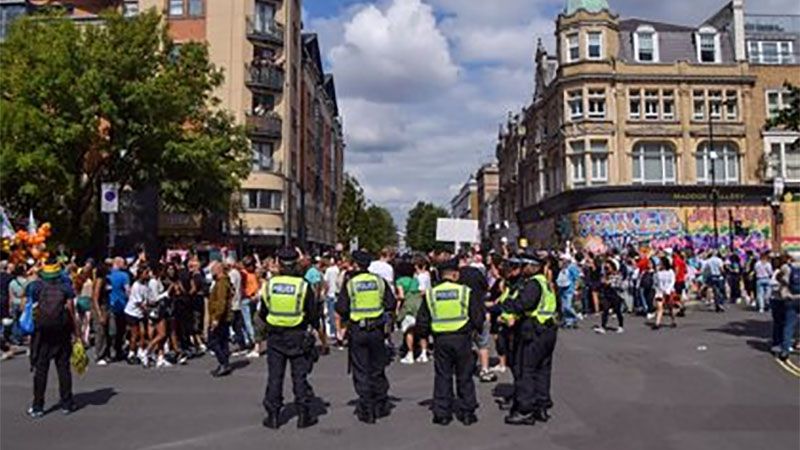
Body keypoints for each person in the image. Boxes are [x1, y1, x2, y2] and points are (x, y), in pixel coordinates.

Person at [416, 257, 484, 426]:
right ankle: (468, 412)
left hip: (441, 340)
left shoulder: (431, 293)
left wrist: (425, 336)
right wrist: (475, 330)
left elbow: (422, 320)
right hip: (462, 338)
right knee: (465, 376)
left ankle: (442, 413)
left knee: (443, 376)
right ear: (455, 274)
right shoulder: (465, 292)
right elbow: (478, 316)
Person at [260, 248, 319, 429]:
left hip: (275, 336)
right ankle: (303, 415)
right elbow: (312, 313)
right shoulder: (303, 285)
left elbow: (263, 312)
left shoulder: (270, 285)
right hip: (298, 335)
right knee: (299, 377)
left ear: (278, 262)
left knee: (275, 377)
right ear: (296, 263)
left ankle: (274, 416)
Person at [337, 250, 396, 424]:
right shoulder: (379, 281)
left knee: (361, 369)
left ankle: (367, 408)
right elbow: (391, 304)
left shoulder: (351, 284)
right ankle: (380, 403)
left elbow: (341, 308)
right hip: (376, 330)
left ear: (355, 265)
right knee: (377, 368)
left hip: (358, 331)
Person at [501, 253, 558, 426]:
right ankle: (541, 405)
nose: (521, 268)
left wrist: (504, 306)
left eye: (524, 265)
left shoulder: (533, 284)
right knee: (542, 370)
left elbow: (524, 303)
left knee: (527, 370)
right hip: (548, 330)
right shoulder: (545, 282)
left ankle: (525, 410)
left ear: (531, 266)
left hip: (535, 332)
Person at [27, 258, 79, 418]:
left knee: (41, 370)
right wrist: (76, 333)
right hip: (62, 331)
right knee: (63, 368)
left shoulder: (35, 287)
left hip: (42, 333)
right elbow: (71, 310)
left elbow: (29, 307)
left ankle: (38, 406)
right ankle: (67, 403)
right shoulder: (66, 287)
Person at [457, 253, 494, 383]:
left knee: (465, 343)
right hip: (479, 310)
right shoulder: (476, 273)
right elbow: (486, 288)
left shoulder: (456, 275)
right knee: (483, 344)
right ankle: (484, 369)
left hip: (462, 313)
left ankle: (464, 368)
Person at [396, 259, 427, 364]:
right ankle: (423, 353)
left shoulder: (400, 281)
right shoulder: (415, 280)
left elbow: (401, 296)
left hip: (408, 307)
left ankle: (410, 353)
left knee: (409, 331)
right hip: (418, 305)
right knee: (422, 331)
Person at [207, 262, 233, 377]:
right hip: (223, 316)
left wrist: (216, 318)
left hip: (220, 317)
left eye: (213, 269)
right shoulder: (221, 282)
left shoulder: (222, 283)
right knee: (223, 341)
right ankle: (224, 363)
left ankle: (223, 362)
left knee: (212, 341)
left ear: (219, 270)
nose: (211, 272)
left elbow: (221, 301)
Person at [773, 253, 800, 360]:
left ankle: (785, 350)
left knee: (789, 325)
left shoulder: (787, 268)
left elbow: (780, 280)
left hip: (791, 298)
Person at [126, 264, 153, 366]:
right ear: (140, 275)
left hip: (140, 314)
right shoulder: (136, 286)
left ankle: (140, 351)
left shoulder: (145, 285)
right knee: (135, 334)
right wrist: (148, 311)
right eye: (146, 273)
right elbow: (139, 303)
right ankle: (131, 354)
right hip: (132, 312)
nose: (148, 275)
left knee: (142, 333)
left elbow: (148, 299)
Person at [107, 257, 131, 361]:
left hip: (110, 304)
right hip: (122, 305)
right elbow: (127, 291)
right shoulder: (124, 276)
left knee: (111, 330)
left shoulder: (107, 275)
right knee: (120, 330)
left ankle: (110, 350)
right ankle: (118, 350)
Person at [594, 259, 625, 334]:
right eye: (606, 268)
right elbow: (601, 283)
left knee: (617, 311)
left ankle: (620, 326)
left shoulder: (618, 275)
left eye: (608, 268)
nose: (607, 269)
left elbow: (619, 285)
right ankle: (603, 326)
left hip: (616, 295)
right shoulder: (605, 275)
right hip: (607, 294)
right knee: (605, 309)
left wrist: (610, 283)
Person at [652, 257, 677, 330]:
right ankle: (657, 323)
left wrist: (668, 290)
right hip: (660, 291)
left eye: (661, 263)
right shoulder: (657, 272)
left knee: (670, 307)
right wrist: (657, 291)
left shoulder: (670, 272)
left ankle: (673, 320)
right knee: (659, 307)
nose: (659, 265)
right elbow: (655, 282)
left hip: (668, 291)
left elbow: (672, 281)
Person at [323, 255, 341, 346]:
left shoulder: (329, 270)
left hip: (330, 294)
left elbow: (326, 283)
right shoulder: (338, 270)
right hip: (337, 294)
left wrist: (325, 292)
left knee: (331, 314)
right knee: (337, 314)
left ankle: (333, 332)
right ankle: (338, 332)